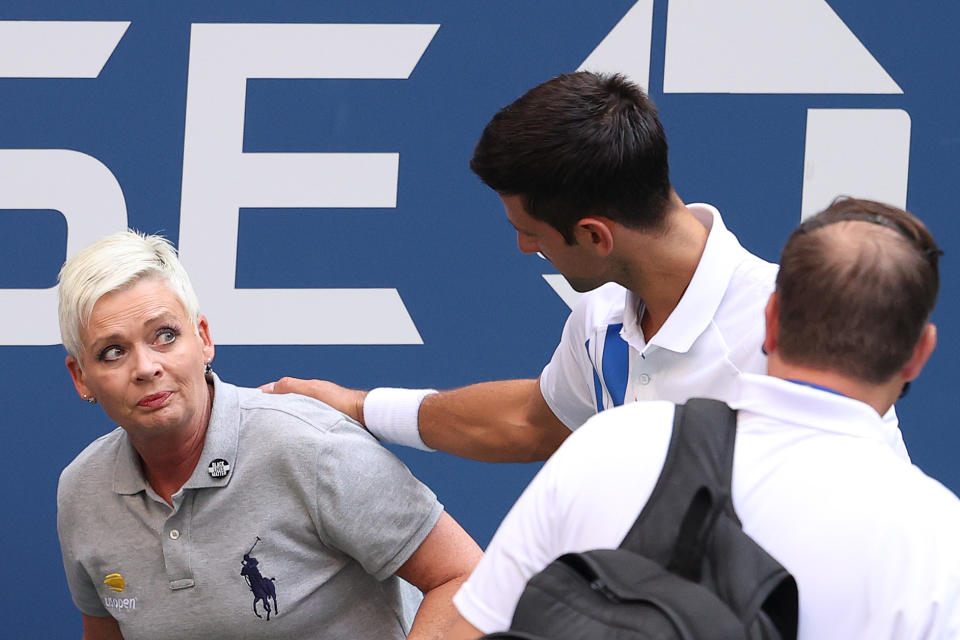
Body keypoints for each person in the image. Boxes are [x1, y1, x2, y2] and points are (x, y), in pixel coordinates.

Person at [447, 198, 960, 639]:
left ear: (772, 318)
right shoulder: (940, 543)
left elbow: (471, 627)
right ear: (919, 354)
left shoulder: (610, 443)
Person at [263, 71, 831, 463]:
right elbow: (532, 421)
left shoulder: (796, 338)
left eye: (529, 233)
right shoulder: (602, 317)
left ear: (594, 235)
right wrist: (359, 407)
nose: (523, 248)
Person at [55, 231, 481, 640]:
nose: (146, 367)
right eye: (113, 351)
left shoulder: (312, 447)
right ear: (81, 378)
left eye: (165, 336)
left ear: (203, 339)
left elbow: (468, 578)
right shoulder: (82, 491)